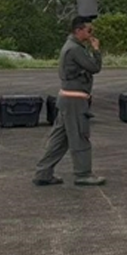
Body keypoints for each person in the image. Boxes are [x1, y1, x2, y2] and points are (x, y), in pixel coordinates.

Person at [33, 16, 106, 186]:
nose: (91, 34)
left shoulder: (72, 46)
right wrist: (96, 50)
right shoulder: (75, 49)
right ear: (78, 30)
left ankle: (43, 173)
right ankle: (83, 174)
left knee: (59, 139)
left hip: (67, 99)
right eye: (89, 30)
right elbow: (94, 68)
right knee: (80, 136)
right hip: (74, 100)